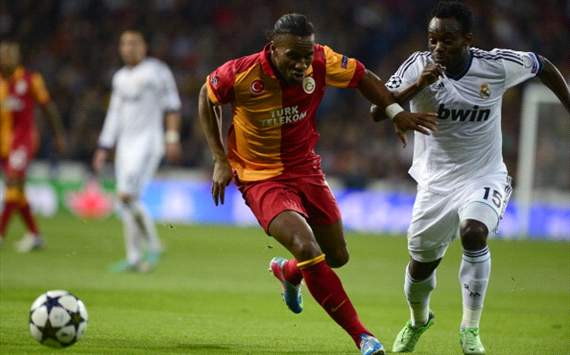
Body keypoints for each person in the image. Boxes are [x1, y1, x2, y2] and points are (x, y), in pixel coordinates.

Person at [198, 13, 437, 355]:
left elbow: (363, 77)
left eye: (306, 55)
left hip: (306, 169)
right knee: (307, 247)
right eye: (292, 55)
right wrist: (220, 158)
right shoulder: (240, 72)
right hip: (260, 176)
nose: (301, 63)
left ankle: (290, 272)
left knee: (336, 256)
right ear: (273, 49)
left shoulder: (322, 60)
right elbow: (206, 97)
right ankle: (363, 337)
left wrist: (395, 113)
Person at [371, 2, 570, 354]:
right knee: (420, 266)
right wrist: (417, 86)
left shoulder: (495, 66)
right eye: (433, 39)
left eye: (447, 40)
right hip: (435, 182)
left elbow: (543, 65)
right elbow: (377, 109)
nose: (438, 47)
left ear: (466, 40)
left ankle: (470, 329)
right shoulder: (418, 66)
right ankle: (419, 320)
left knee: (473, 232)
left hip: (484, 174)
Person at [92, 30, 182, 272]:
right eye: (124, 44)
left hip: (148, 142)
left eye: (133, 43)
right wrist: (104, 146)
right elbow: (114, 114)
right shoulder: (119, 77)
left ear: (144, 46)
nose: (128, 48)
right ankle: (134, 257)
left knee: (126, 196)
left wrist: (172, 137)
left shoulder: (157, 71)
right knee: (128, 201)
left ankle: (152, 246)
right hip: (124, 146)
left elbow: (172, 106)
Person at [0, 40, 66, 252]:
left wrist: (58, 134)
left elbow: (48, 108)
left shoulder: (31, 80)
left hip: (23, 141)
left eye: (10, 54)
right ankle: (35, 235)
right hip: (3, 144)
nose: (6, 58)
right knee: (17, 191)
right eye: (3, 54)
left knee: (12, 182)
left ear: (18, 58)